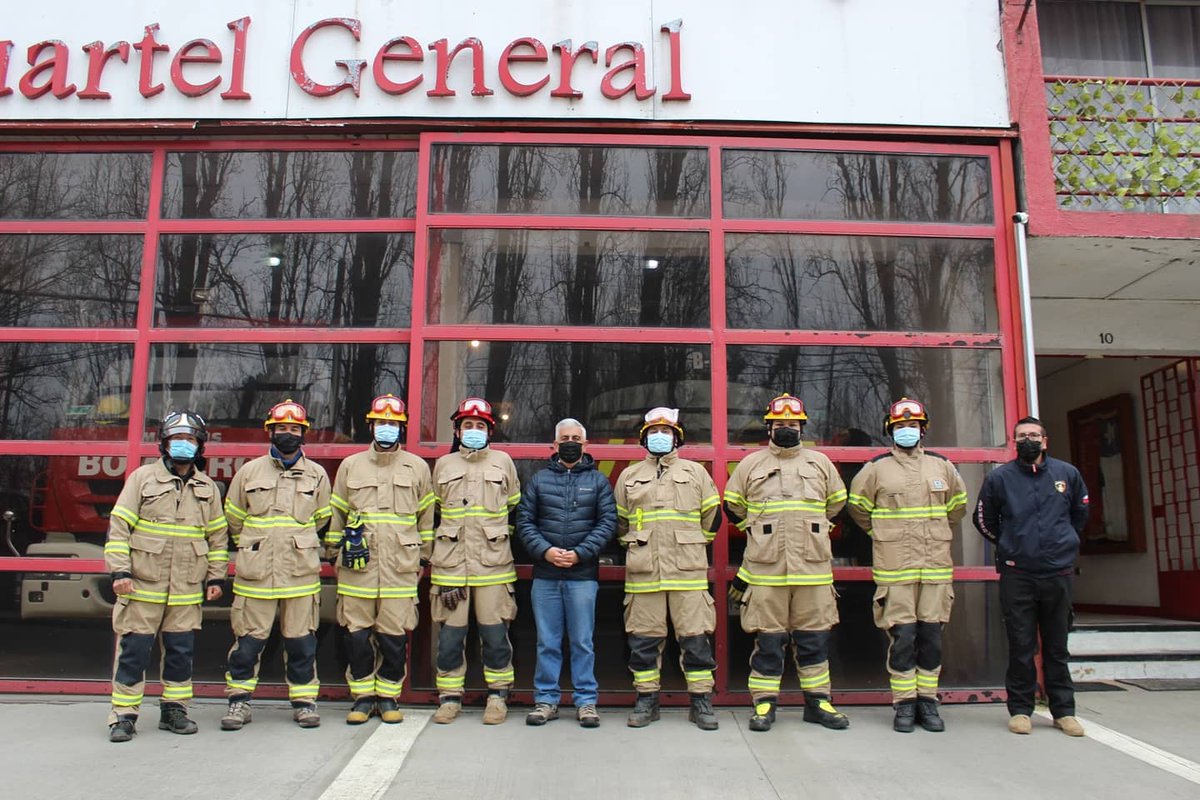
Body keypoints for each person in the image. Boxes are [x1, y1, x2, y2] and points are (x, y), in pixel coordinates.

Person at [725, 394, 850, 732]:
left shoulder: (821, 464)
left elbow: (837, 505)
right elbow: (732, 507)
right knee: (768, 643)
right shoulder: (750, 465)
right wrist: (756, 533)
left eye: (791, 425)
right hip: (766, 574)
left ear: (801, 427)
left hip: (812, 572)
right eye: (779, 424)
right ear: (769, 427)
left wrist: (811, 531)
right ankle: (764, 704)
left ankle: (818, 702)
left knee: (814, 641)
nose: (785, 429)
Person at [104, 410, 227, 742]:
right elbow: (119, 528)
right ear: (164, 444)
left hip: (186, 590)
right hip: (142, 584)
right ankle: (123, 716)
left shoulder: (208, 488)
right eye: (176, 439)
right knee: (134, 652)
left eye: (189, 439)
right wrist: (120, 570)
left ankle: (174, 711)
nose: (183, 446)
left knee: (180, 653)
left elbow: (217, 538)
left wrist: (216, 578)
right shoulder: (142, 479)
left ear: (199, 445)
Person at [847, 398, 967, 733]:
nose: (906, 431)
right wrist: (881, 532)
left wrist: (937, 532)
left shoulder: (943, 467)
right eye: (900, 427)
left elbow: (957, 507)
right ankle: (903, 704)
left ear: (923, 429)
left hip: (935, 570)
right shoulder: (875, 469)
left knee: (931, 638)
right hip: (895, 569)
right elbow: (857, 508)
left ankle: (928, 704)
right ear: (890, 430)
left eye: (912, 426)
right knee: (902, 638)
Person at [973, 416, 1089, 738]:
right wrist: (1010, 544)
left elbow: (1080, 514)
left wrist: (1064, 542)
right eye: (1022, 435)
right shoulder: (1000, 479)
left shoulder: (1067, 474)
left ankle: (1064, 712)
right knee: (1021, 645)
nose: (1029, 440)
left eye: (1034, 435)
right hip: (1018, 574)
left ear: (1045, 440)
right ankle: (1021, 710)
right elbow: (983, 519)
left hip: (1058, 572)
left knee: (1056, 645)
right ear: (1014, 441)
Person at [221, 399, 332, 730]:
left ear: (303, 435)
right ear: (270, 431)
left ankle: (303, 702)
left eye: (294, 429)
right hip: (257, 574)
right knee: (248, 643)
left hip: (299, 574)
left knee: (301, 642)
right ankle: (239, 702)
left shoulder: (317, 475)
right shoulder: (249, 472)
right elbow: (234, 518)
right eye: (281, 428)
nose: (288, 434)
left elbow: (323, 518)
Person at [326, 394, 435, 725]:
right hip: (357, 567)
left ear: (400, 428)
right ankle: (362, 697)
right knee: (356, 635)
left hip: (400, 568)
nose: (386, 428)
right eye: (381, 422)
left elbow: (426, 518)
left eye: (392, 423)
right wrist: (334, 555)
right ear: (371, 425)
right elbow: (337, 514)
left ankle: (388, 696)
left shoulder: (417, 467)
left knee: (393, 636)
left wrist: (422, 559)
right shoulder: (351, 465)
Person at [615, 407, 722, 730]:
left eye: (666, 432)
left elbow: (712, 518)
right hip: (644, 574)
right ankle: (647, 700)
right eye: (653, 433)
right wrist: (639, 544)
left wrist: (689, 544)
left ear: (678, 438)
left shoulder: (696, 473)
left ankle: (701, 701)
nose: (660, 437)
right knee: (644, 643)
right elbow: (620, 523)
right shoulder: (629, 476)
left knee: (696, 641)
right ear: (643, 438)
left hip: (687, 574)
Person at [516, 418, 617, 728]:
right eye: (564, 438)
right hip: (545, 575)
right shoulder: (539, 480)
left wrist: (580, 553)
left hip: (582, 576)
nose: (570, 442)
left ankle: (586, 702)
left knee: (583, 641)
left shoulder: (599, 482)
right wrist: (545, 551)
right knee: (547, 641)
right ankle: (546, 700)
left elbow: (607, 523)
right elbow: (524, 521)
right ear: (555, 444)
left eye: (576, 438)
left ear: (585, 445)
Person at [429, 397, 521, 725]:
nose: (473, 430)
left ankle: (497, 697)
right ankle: (450, 698)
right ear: (457, 429)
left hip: (493, 567)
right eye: (467, 425)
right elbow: (434, 512)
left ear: (489, 431)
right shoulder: (444, 465)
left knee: (495, 636)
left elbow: (513, 507)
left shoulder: (504, 463)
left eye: (480, 426)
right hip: (452, 567)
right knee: (450, 638)